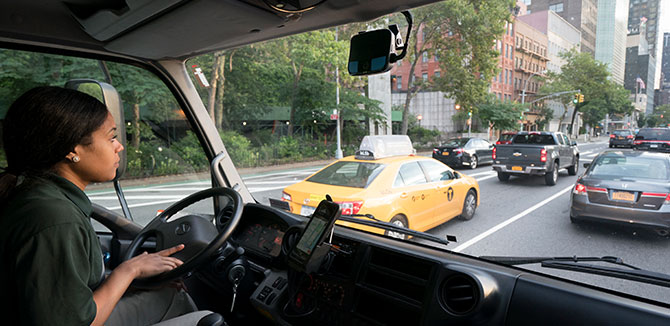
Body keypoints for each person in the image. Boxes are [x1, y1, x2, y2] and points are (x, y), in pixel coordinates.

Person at [0, 86, 214, 325]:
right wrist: (128, 271)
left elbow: (69, 289)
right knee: (207, 319)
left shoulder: (39, 197)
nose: (119, 146)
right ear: (72, 150)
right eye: (111, 137)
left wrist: (132, 277)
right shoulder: (54, 217)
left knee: (170, 293)